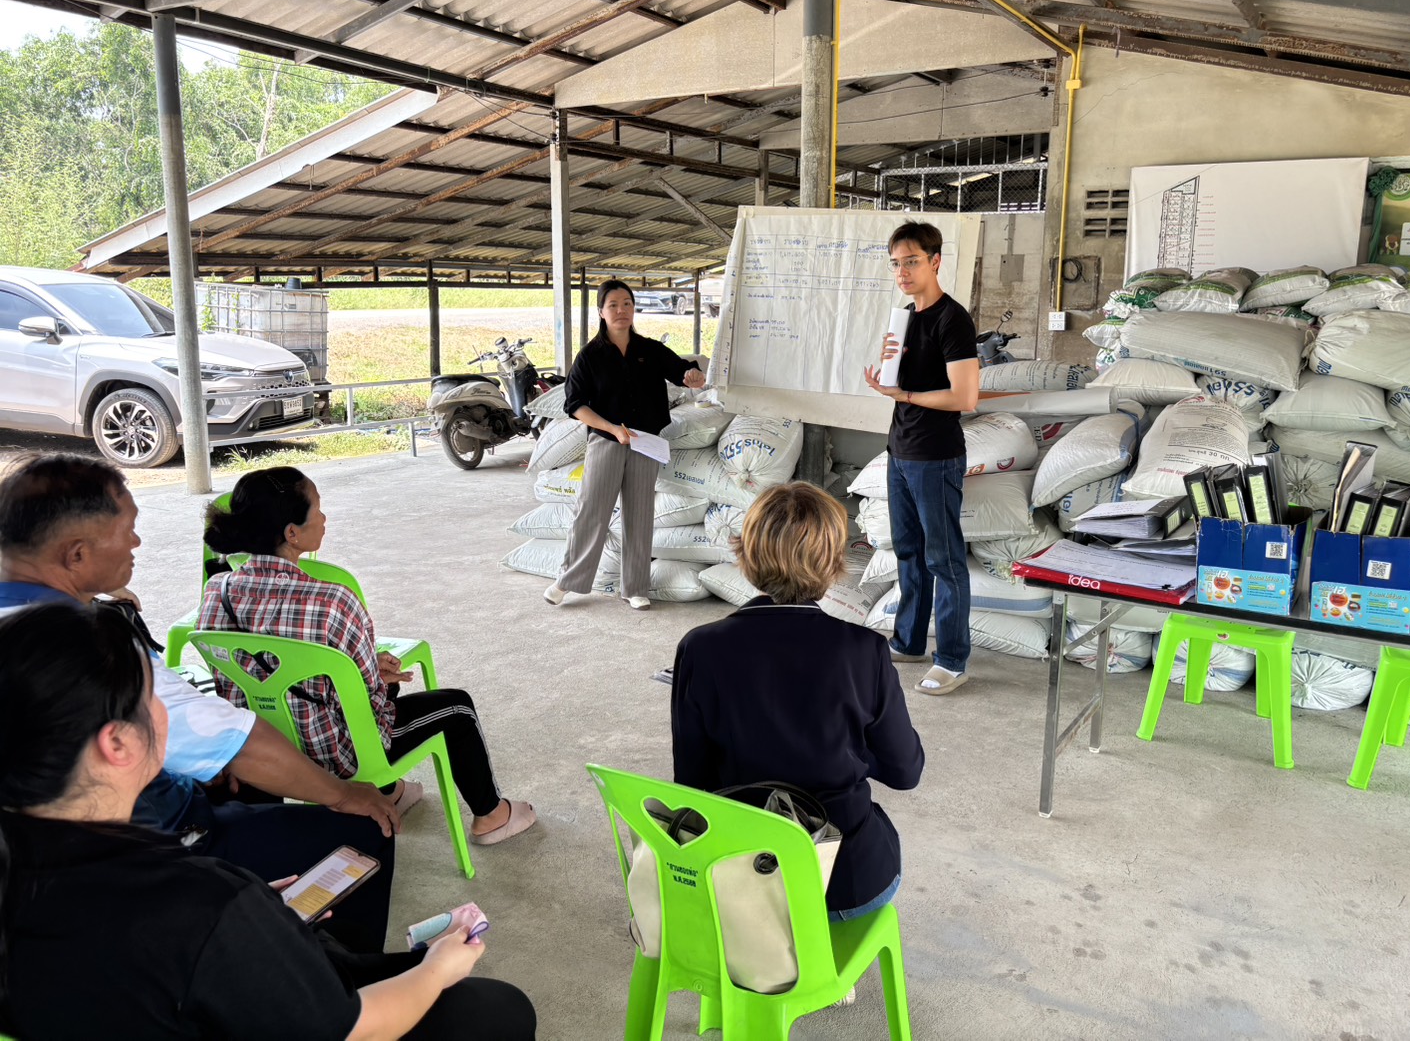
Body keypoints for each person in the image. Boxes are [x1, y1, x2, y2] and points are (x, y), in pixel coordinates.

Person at [0, 601, 538, 1040]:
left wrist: (259, 918)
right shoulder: (204, 900)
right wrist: (436, 968)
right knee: (495, 1010)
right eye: (155, 694)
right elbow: (353, 1030)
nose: (171, 708)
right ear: (117, 743)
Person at [0, 454, 398, 951]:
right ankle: (338, 985)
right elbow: (238, 742)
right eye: (128, 529)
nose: (137, 543)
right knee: (364, 828)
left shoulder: (202, 594)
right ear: (76, 555)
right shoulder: (91, 648)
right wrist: (346, 795)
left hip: (38, 860)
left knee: (239, 782)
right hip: (147, 848)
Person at [197, 466, 536, 847]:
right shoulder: (333, 599)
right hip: (333, 757)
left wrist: (366, 674)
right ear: (292, 533)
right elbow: (369, 705)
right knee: (456, 709)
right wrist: (375, 676)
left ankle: (391, 793)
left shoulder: (217, 590)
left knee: (373, 681)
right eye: (317, 509)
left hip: (259, 750)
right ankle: (491, 816)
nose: (324, 518)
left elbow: (229, 676)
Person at [670, 482, 925, 921]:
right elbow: (905, 772)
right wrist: (849, 750)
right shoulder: (864, 651)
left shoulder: (700, 647)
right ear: (833, 564)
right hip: (844, 885)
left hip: (739, 878)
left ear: (746, 556)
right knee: (878, 835)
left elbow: (691, 782)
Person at [863, 220, 981, 695]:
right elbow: (903, 385)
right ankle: (909, 641)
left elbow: (965, 397)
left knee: (944, 558)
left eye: (911, 261)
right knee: (909, 552)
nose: (902, 271)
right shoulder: (906, 317)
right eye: (895, 263)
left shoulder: (953, 320)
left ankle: (952, 659)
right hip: (901, 450)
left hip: (935, 455)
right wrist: (888, 380)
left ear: (935, 261)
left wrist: (905, 393)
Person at [544, 278, 706, 610]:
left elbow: (681, 371)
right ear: (601, 312)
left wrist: (693, 376)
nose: (621, 311)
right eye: (613, 305)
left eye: (627, 304)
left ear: (634, 308)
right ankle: (567, 580)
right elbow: (575, 405)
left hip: (645, 442)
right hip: (606, 440)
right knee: (592, 510)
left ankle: (635, 587)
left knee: (640, 513)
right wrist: (611, 429)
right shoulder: (590, 356)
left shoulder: (649, 349)